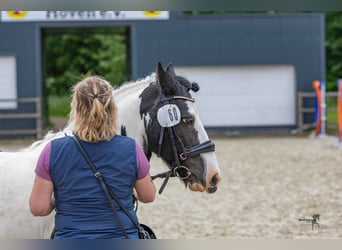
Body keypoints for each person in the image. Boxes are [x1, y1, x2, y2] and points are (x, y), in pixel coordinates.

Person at [29, 75, 156, 239]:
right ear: (112, 109)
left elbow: (38, 208)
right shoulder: (131, 148)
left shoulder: (53, 150)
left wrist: (59, 200)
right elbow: (148, 196)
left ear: (76, 108)